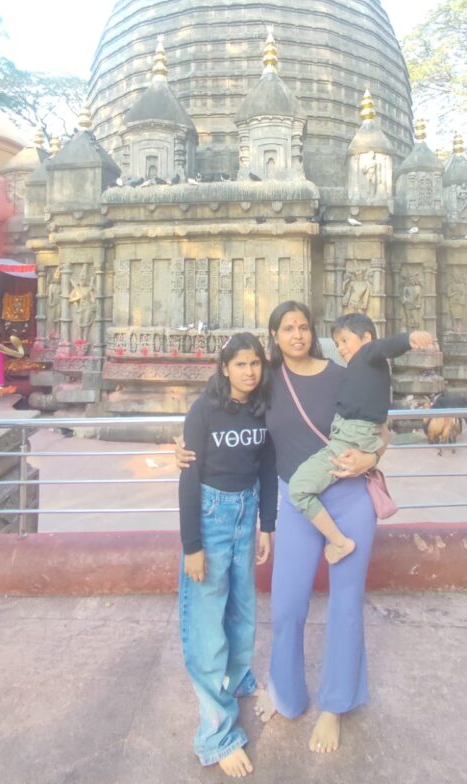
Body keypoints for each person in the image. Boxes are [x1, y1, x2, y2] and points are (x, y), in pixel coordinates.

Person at [175, 301, 388, 756]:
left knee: (346, 604)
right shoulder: (267, 381)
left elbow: (379, 427)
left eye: (304, 327)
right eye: (288, 328)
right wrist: (183, 447)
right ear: (275, 335)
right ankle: (287, 694)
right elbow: (220, 408)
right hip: (296, 501)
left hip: (350, 499)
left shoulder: (342, 375)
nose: (297, 335)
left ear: (313, 332)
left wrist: (371, 458)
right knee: (288, 604)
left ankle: (336, 704)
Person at [178, 332, 277, 779]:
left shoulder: (262, 406)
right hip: (212, 517)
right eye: (240, 364)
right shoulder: (204, 410)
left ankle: (236, 680)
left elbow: (269, 469)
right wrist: (192, 547)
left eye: (255, 363)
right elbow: (188, 477)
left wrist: (267, 526)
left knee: (242, 613)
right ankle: (216, 734)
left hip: (247, 513)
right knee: (206, 626)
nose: (249, 372)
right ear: (224, 368)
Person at [287, 312, 432, 564]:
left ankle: (339, 542)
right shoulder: (364, 368)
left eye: (345, 341)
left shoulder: (367, 354)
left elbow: (384, 346)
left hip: (351, 438)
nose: (341, 349)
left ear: (365, 338)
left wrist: (409, 339)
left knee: (298, 488)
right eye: (338, 343)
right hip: (353, 434)